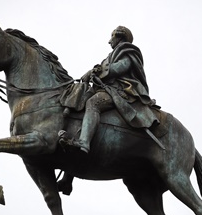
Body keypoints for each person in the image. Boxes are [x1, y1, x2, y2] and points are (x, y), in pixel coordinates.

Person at [59, 26, 159, 154]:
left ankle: (84, 141)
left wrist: (95, 72)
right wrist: (92, 74)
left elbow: (120, 68)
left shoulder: (128, 51)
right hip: (106, 89)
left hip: (121, 91)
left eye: (112, 37)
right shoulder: (111, 55)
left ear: (120, 36)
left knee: (93, 103)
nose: (109, 41)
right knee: (82, 98)